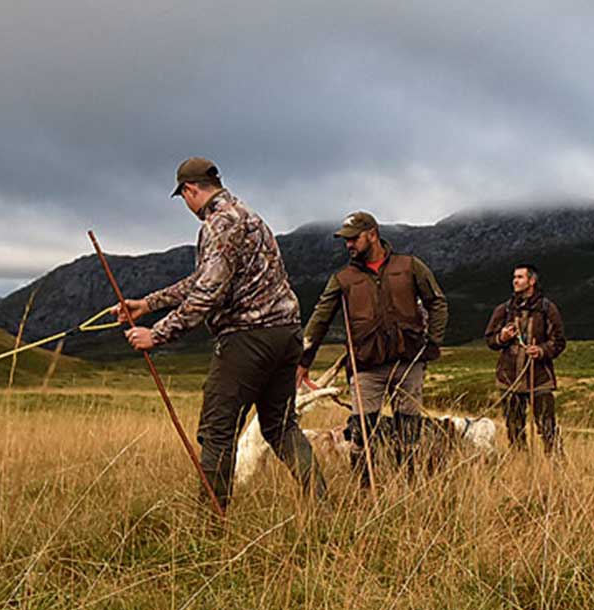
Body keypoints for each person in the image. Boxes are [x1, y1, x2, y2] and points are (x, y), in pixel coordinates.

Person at [114, 157, 326, 511]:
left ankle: (210, 525)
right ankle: (322, 505)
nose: (187, 205)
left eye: (184, 197)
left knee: (217, 432)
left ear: (190, 189)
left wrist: (157, 334)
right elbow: (204, 278)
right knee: (281, 427)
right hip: (286, 335)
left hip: (247, 341)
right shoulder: (249, 216)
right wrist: (147, 304)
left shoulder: (217, 224)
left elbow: (208, 294)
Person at [296, 211, 448, 481]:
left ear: (373, 234)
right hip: (365, 366)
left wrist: (433, 342)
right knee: (362, 435)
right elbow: (319, 319)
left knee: (409, 434)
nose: (349, 245)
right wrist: (303, 362)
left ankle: (408, 488)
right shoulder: (343, 279)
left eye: (354, 239)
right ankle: (364, 492)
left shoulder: (410, 266)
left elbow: (437, 302)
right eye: (346, 240)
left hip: (408, 362)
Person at [484, 264, 566, 454]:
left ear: (532, 281)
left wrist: (542, 350)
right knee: (514, 429)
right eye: (514, 277)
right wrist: (502, 337)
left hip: (539, 379)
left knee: (547, 427)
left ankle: (556, 467)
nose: (515, 281)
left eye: (520, 277)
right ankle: (520, 466)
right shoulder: (504, 310)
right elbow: (490, 340)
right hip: (509, 378)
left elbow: (559, 342)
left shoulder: (547, 309)